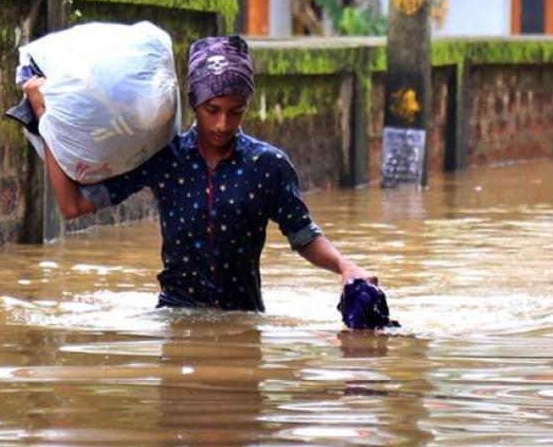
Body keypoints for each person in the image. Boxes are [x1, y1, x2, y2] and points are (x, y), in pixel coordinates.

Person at [22, 35, 377, 312]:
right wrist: (46, 119)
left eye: (236, 112)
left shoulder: (267, 166)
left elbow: (304, 237)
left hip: (245, 321)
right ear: (193, 102)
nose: (223, 124)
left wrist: (346, 268)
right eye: (212, 110)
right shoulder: (164, 159)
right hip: (176, 317)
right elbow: (73, 206)